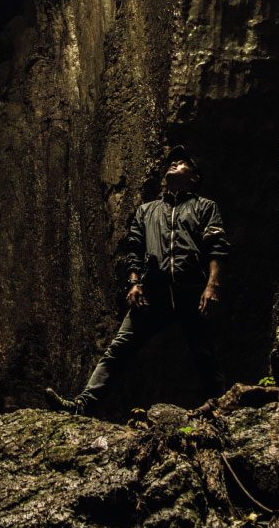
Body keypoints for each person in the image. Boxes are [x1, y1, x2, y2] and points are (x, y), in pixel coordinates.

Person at [45, 144, 230, 414]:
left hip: (190, 291)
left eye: (181, 162)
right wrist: (134, 283)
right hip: (153, 293)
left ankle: (220, 408)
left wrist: (212, 286)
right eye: (171, 161)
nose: (173, 164)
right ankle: (83, 406)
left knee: (204, 353)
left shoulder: (205, 207)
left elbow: (217, 246)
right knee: (118, 349)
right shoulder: (147, 211)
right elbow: (134, 248)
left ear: (195, 176)